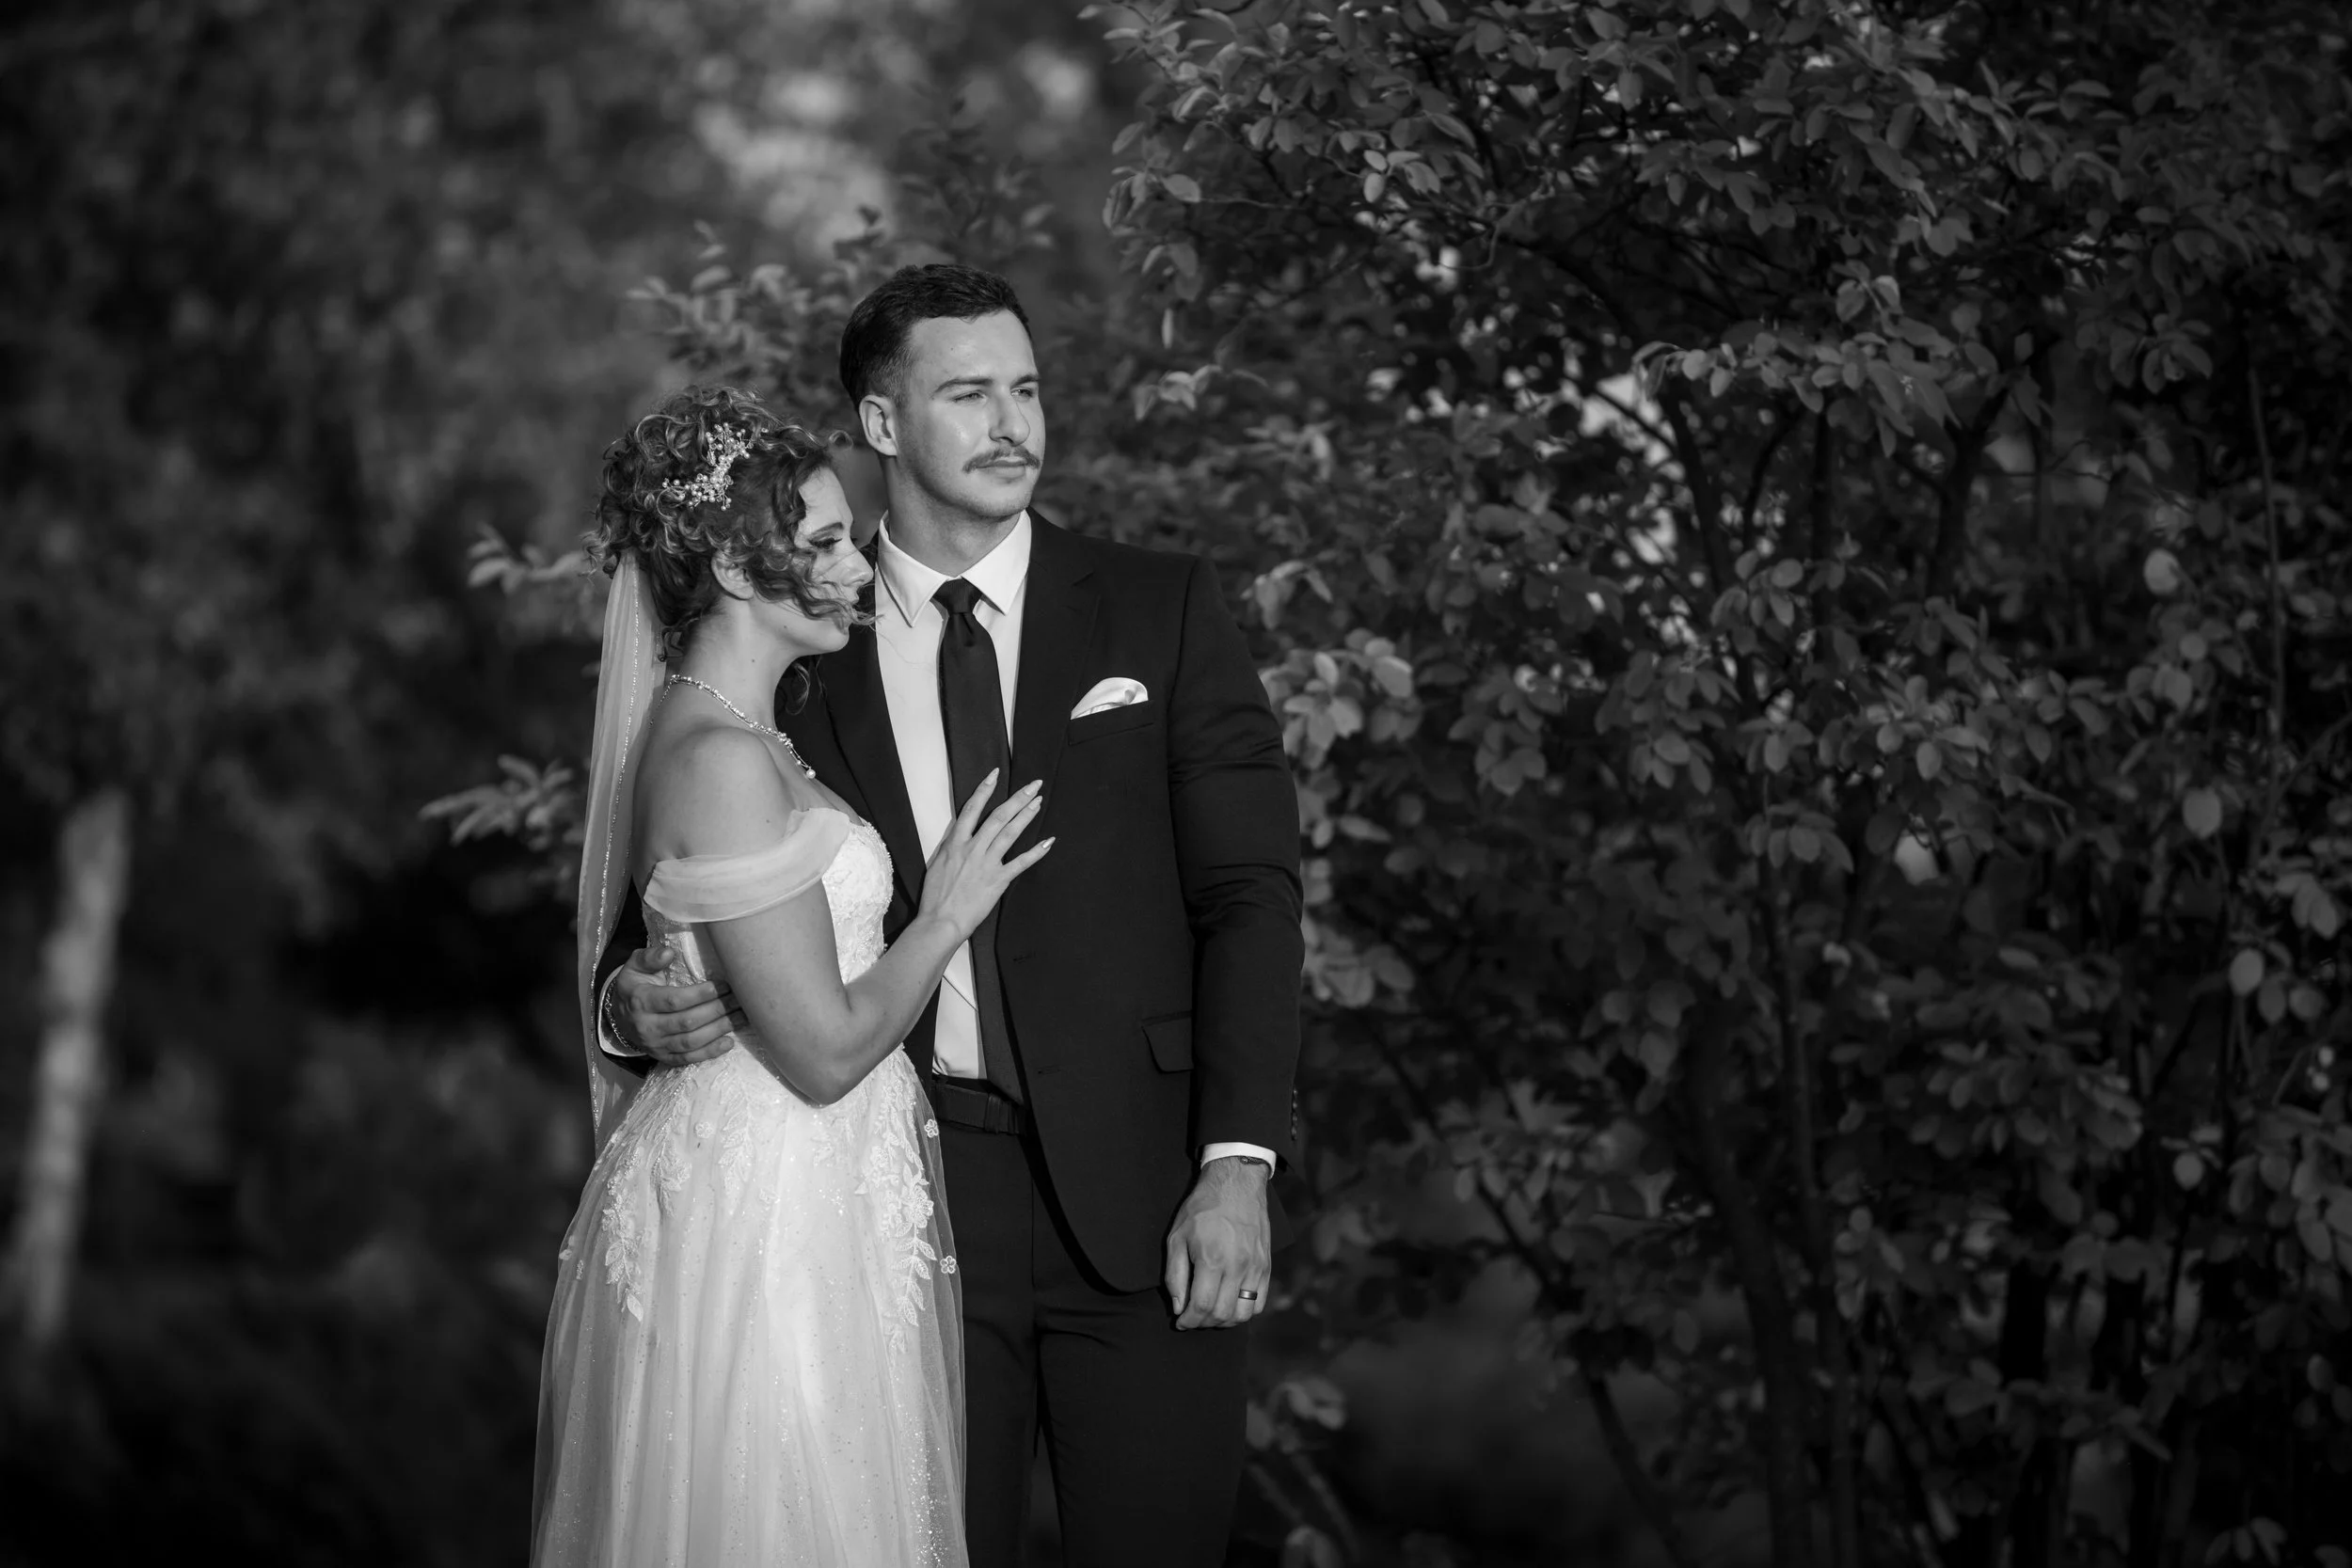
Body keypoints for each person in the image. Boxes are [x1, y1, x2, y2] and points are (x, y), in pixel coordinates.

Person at [597, 264, 1304, 1566]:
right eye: (970, 393)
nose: (1013, 422)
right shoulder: (796, 634)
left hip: (1150, 1197)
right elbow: (668, 895)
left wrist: (1238, 1162)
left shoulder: (1161, 606)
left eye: (1025, 388)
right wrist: (631, 1005)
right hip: (898, 1211)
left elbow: (1251, 897)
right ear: (881, 422)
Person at [534, 386, 1052, 1567]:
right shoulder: (719, 755)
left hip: (817, 1196)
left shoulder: (755, 732)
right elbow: (820, 1051)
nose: (857, 568)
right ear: (731, 563)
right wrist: (948, 913)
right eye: (821, 542)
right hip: (765, 1212)